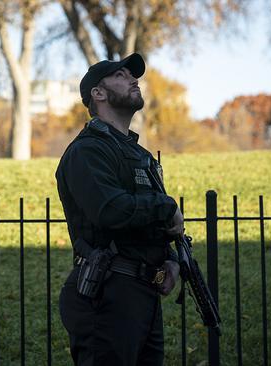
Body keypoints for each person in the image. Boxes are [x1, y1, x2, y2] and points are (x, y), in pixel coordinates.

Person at [55, 52, 184, 366]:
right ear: (98, 94)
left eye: (133, 75)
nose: (133, 79)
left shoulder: (140, 156)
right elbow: (111, 210)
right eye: (121, 76)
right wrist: (167, 207)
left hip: (144, 295)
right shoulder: (87, 151)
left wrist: (170, 260)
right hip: (107, 294)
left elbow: (152, 224)